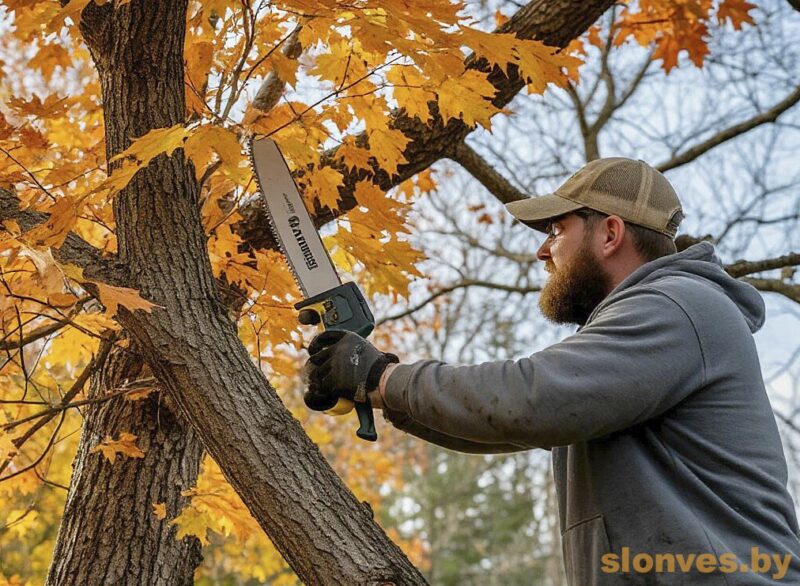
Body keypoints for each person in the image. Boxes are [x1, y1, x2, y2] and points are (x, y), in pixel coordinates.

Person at [303, 158, 800, 585]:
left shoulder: (677, 305)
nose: (543, 251)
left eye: (557, 231)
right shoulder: (646, 330)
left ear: (610, 233)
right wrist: (384, 390)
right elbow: (509, 428)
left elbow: (530, 400)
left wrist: (383, 378)